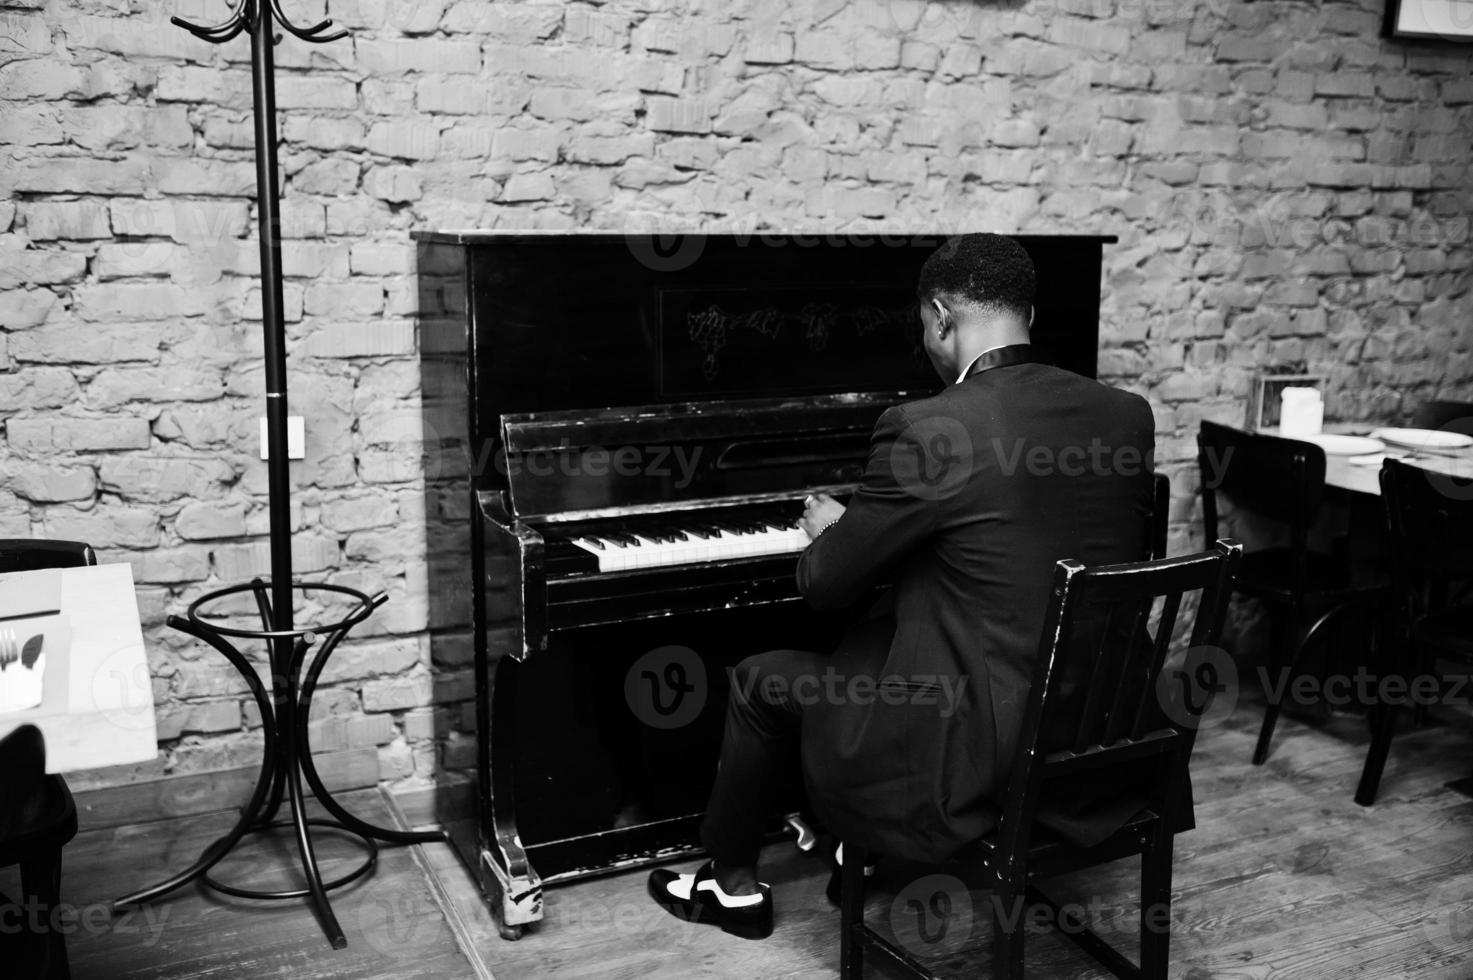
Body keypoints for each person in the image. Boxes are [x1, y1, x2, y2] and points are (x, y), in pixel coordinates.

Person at [648, 233, 1156, 939]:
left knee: (761, 679)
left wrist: (835, 526)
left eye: (924, 325)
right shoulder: (1123, 413)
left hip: (972, 764)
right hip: (1100, 742)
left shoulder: (932, 428)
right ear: (1027, 312)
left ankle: (730, 880)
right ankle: (842, 841)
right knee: (879, 639)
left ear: (941, 316)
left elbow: (824, 586)